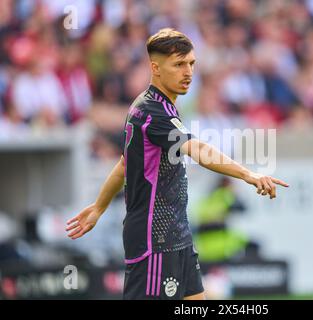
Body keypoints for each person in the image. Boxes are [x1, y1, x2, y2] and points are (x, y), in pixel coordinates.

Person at [65, 28, 289, 300]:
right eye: (179, 64)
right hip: (154, 240)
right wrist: (247, 174)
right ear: (156, 68)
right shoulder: (151, 111)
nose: (188, 72)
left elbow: (126, 163)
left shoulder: (160, 106)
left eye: (192, 63)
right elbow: (197, 149)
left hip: (175, 235)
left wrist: (99, 207)